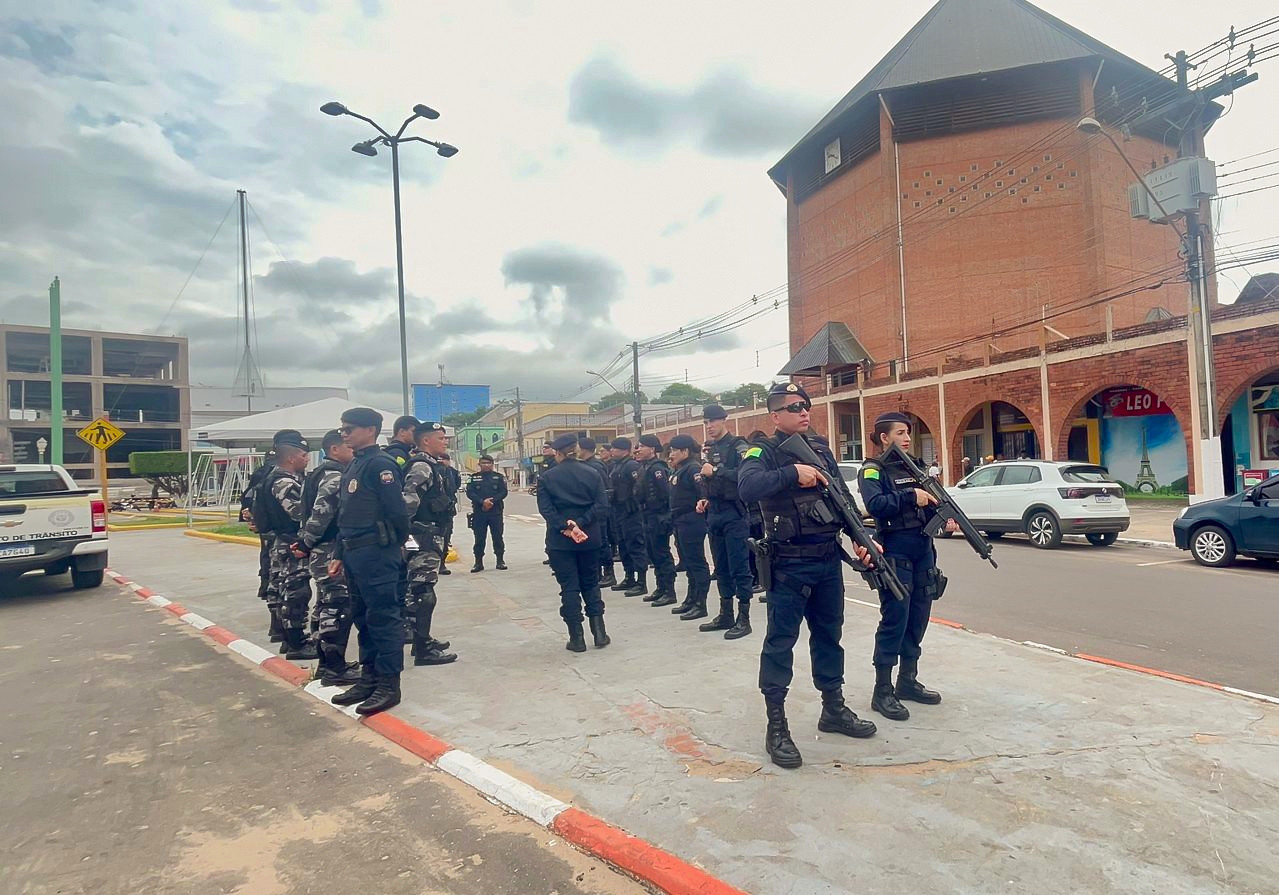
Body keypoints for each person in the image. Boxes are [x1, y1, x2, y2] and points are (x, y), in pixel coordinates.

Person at [739, 382, 877, 769]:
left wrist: (862, 540)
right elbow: (747, 487)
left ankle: (833, 708)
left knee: (830, 638)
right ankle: (777, 727)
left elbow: (842, 501)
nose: (804, 411)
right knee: (780, 643)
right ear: (775, 415)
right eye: (794, 406)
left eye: (807, 405)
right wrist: (790, 473)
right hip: (788, 565)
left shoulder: (820, 449)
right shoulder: (761, 452)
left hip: (827, 560)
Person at [858, 412, 958, 722]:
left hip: (923, 550)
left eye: (908, 432)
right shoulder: (873, 470)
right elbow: (875, 505)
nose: (906, 438)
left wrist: (944, 521)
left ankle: (907, 680)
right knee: (895, 619)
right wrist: (910, 495)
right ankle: (882, 690)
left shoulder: (917, 469)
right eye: (900, 432)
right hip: (895, 550)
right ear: (884, 438)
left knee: (918, 618)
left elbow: (931, 507)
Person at [330, 408, 410, 715]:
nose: (344, 434)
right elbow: (345, 516)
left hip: (377, 551)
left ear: (371, 430)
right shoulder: (355, 465)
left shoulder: (381, 464)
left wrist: (393, 543)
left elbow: (398, 513)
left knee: (384, 618)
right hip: (354, 553)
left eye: (349, 429)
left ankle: (389, 685)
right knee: (363, 617)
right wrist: (338, 553)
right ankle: (369, 678)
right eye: (342, 430)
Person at [293, 429, 359, 685]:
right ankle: (334, 667)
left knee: (324, 605)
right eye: (348, 448)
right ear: (334, 449)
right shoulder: (334, 477)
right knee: (337, 606)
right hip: (328, 549)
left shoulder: (316, 474)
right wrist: (307, 542)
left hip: (321, 548)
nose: (352, 452)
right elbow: (320, 515)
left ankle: (325, 664)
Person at [537, 433, 610, 652]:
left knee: (569, 587)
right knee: (590, 583)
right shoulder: (593, 473)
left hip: (561, 541)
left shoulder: (547, 477)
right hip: (589, 537)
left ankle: (576, 638)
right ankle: (599, 633)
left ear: (558, 453)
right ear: (576, 450)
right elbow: (601, 505)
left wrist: (566, 527)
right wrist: (580, 523)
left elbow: (546, 510)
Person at [402, 422, 459, 667]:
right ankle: (423, 648)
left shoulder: (431, 465)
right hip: (421, 536)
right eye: (440, 438)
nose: (444, 441)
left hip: (426, 535)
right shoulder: (422, 467)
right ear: (426, 441)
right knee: (423, 591)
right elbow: (407, 503)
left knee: (421, 588)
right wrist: (407, 537)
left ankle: (421, 640)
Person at [256, 430, 314, 660]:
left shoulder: (274, 477)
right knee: (295, 592)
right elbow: (298, 512)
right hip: (289, 543)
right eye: (303, 455)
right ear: (291, 458)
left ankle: (289, 639)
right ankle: (296, 643)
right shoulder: (283, 481)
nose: (307, 458)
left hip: (282, 542)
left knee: (287, 590)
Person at [698, 404, 755, 640]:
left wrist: (716, 472)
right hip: (715, 512)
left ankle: (744, 618)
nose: (709, 426)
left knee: (739, 567)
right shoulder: (710, 448)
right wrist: (704, 498)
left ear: (724, 420)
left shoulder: (739, 446)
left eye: (713, 421)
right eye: (706, 423)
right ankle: (726, 613)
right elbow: (707, 478)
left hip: (734, 513)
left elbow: (744, 476)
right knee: (720, 567)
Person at [666, 434, 711, 620]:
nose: (671, 454)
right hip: (680, 520)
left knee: (697, 562)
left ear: (685, 451)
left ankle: (701, 603)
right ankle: (691, 599)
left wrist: (702, 502)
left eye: (675, 450)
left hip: (692, 520)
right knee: (689, 563)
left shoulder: (693, 468)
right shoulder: (680, 469)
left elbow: (702, 492)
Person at [241, 447, 278, 639]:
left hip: (265, 529)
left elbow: (247, 497)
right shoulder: (280, 476)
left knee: (267, 559)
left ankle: (265, 586)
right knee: (281, 575)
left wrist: (252, 517)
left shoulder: (260, 474)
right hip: (278, 532)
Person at [635, 434, 677, 607]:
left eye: (642, 446)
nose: (638, 450)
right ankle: (660, 587)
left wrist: (665, 516)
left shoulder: (657, 469)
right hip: (647, 515)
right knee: (652, 553)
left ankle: (669, 590)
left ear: (652, 449)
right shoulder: (644, 467)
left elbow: (666, 494)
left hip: (658, 515)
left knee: (661, 553)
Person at [608, 437, 649, 597]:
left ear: (624, 450)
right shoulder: (616, 465)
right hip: (618, 511)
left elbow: (639, 487)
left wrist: (633, 502)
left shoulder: (632, 465)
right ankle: (629, 576)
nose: (612, 451)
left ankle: (641, 581)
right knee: (623, 546)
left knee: (635, 546)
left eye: (615, 448)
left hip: (631, 512)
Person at [577, 438, 616, 587]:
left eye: (578, 448)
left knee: (602, 543)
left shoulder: (596, 466)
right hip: (589, 510)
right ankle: (597, 573)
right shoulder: (586, 465)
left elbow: (604, 491)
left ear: (584, 449)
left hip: (598, 511)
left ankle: (608, 573)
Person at [465, 454, 508, 572]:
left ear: (492, 464)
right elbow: (470, 492)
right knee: (479, 538)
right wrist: (482, 502)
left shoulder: (499, 477)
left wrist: (492, 501)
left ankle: (500, 560)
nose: (486, 465)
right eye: (483, 463)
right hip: (480, 512)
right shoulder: (473, 478)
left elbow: (503, 492)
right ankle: (478, 562)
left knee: (498, 537)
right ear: (479, 464)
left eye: (489, 463)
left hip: (495, 512)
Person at [438, 454, 462, 575]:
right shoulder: (432, 469)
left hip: (447, 509)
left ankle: (442, 563)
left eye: (444, 459)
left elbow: (455, 486)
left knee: (446, 535)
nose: (442, 461)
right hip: (434, 510)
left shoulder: (452, 472)